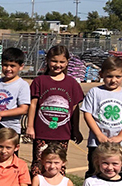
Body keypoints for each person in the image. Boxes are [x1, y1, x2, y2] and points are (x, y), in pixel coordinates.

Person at [26, 45, 84, 177]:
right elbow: (33, 105)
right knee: (40, 161)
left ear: (67, 62)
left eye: (62, 62)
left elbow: (75, 109)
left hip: (62, 133)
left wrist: (75, 130)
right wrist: (30, 127)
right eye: (54, 61)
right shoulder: (39, 81)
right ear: (47, 60)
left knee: (58, 162)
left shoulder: (72, 83)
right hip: (42, 132)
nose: (58, 65)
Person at [81, 56, 122, 179]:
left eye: (118, 76)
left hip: (121, 145)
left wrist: (120, 137)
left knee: (119, 173)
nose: (113, 80)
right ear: (101, 74)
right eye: (109, 76)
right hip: (97, 143)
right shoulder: (95, 92)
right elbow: (87, 114)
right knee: (95, 171)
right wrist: (99, 135)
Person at [0, 47, 30, 160]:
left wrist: (1, 114)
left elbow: (23, 109)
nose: (8, 69)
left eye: (12, 66)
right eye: (5, 65)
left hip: (10, 129)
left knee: (8, 158)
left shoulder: (22, 85)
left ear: (21, 66)